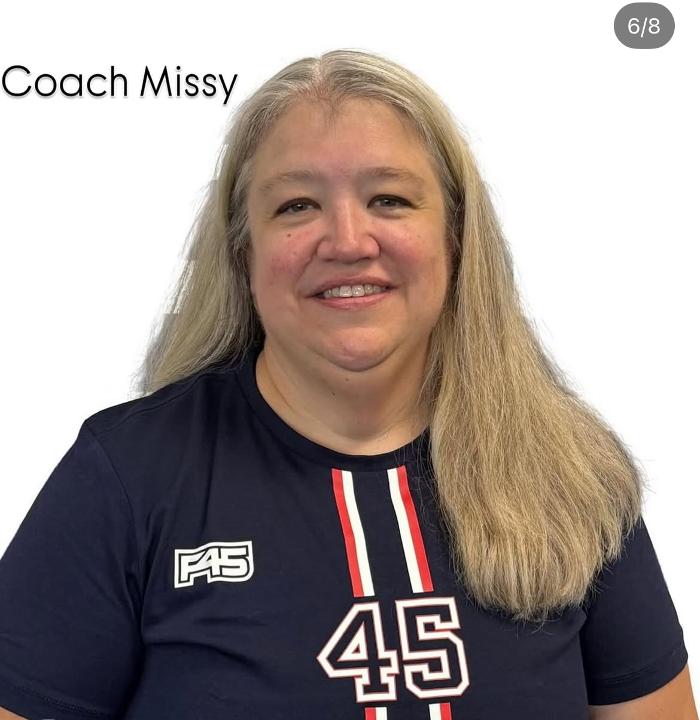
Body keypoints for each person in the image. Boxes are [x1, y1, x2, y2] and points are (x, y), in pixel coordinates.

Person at [0, 49, 696, 720]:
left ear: (457, 237)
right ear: (244, 252)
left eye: (389, 199)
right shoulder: (125, 477)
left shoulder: (569, 470)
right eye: (297, 206)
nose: (348, 241)